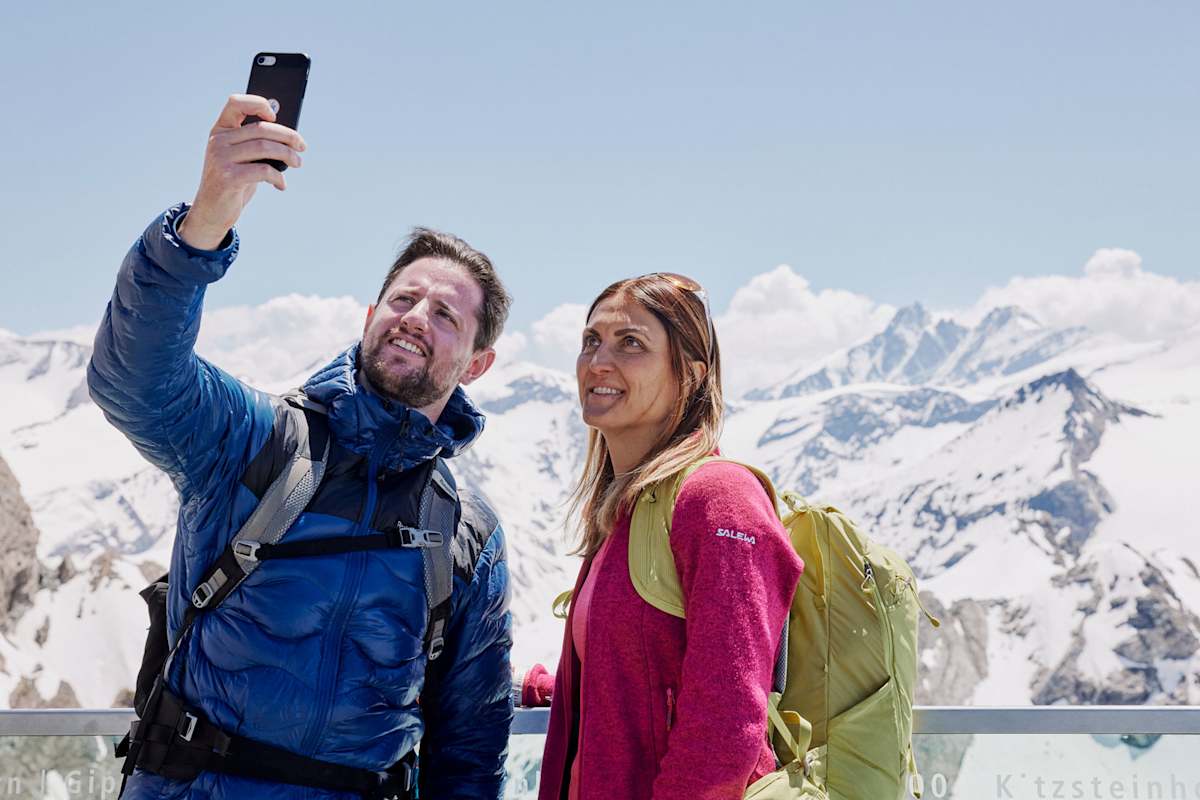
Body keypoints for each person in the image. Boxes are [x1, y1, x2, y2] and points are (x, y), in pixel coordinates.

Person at [88, 94, 514, 800]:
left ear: (476, 364)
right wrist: (206, 221)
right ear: (370, 315)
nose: (415, 318)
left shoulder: (465, 532)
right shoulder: (254, 440)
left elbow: (470, 743)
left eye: (445, 314)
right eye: (403, 300)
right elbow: (133, 377)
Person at [526, 273, 804, 800]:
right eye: (591, 340)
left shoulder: (719, 499)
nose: (598, 361)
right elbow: (639, 673)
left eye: (630, 343)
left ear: (690, 375)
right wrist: (537, 689)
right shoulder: (628, 511)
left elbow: (725, 730)